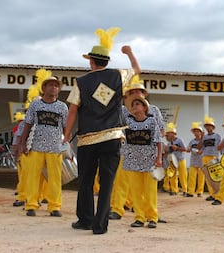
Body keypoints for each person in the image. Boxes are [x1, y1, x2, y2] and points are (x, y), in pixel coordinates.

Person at [62, 27, 141, 235]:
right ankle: (100, 225)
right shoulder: (118, 76)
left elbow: (72, 111)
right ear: (106, 61)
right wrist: (129, 52)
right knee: (107, 183)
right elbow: (137, 70)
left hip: (88, 139)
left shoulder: (81, 82)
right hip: (113, 136)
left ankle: (85, 220)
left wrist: (66, 135)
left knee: (86, 182)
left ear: (91, 62)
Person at [19, 72, 67, 217]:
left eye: (56, 86)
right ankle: (31, 205)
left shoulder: (62, 107)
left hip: (55, 147)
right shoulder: (35, 104)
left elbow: (66, 128)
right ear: (44, 87)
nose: (54, 88)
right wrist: (23, 143)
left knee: (55, 178)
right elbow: (27, 124)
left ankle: (54, 206)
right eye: (51, 85)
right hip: (36, 145)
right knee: (33, 177)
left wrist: (67, 145)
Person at [121, 95, 162, 228]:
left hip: (149, 162)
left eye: (137, 104)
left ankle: (152, 217)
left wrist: (159, 158)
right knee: (136, 191)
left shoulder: (152, 122)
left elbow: (158, 141)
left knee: (150, 191)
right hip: (132, 161)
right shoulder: (127, 121)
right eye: (132, 105)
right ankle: (139, 217)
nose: (134, 107)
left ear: (144, 107)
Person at [198, 115, 222, 201]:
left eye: (210, 126)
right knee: (208, 178)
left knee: (215, 177)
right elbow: (200, 147)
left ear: (213, 127)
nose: (208, 128)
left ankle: (217, 194)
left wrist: (217, 157)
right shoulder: (204, 137)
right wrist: (201, 137)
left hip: (214, 157)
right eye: (207, 126)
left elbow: (218, 147)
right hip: (205, 157)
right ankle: (212, 194)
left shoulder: (217, 136)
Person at [163, 122, 188, 196]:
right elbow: (167, 152)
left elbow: (185, 149)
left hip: (180, 160)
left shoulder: (179, 140)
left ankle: (185, 190)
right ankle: (174, 190)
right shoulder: (168, 143)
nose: (167, 135)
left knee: (182, 176)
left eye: (169, 133)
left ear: (173, 133)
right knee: (172, 176)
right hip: (172, 161)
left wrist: (177, 148)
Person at [186, 122, 204, 197]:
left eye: (198, 131)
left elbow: (205, 149)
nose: (196, 133)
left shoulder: (203, 141)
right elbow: (188, 149)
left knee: (201, 177)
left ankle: (200, 191)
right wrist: (189, 150)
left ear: (200, 132)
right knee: (192, 177)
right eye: (195, 131)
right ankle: (190, 191)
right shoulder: (192, 141)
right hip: (193, 160)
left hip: (201, 161)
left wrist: (201, 151)